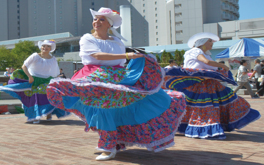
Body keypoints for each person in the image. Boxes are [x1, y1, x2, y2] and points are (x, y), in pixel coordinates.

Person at [47, 7, 186, 161]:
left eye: (102, 19)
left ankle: (115, 142)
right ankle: (108, 146)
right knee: (102, 110)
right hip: (94, 77)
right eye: (95, 18)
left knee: (132, 105)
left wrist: (138, 58)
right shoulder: (87, 38)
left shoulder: (117, 41)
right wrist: (127, 54)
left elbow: (119, 61)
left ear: (109, 24)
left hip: (117, 77)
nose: (97, 22)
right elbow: (96, 55)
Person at [163, 32, 261, 139]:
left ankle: (210, 125)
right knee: (200, 107)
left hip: (209, 84)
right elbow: (206, 62)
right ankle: (200, 127)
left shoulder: (206, 53)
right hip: (197, 84)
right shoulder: (196, 51)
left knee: (225, 101)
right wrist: (221, 65)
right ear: (202, 42)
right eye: (210, 41)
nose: (212, 43)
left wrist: (220, 68)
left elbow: (209, 64)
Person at [0, 40, 70, 124]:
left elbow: (55, 72)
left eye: (48, 46)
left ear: (51, 48)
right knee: (35, 95)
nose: (45, 48)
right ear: (41, 47)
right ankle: (36, 115)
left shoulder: (53, 59)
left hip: (46, 80)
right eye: (44, 46)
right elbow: (24, 66)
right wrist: (29, 77)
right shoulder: (35, 56)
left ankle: (47, 112)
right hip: (33, 79)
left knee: (50, 93)